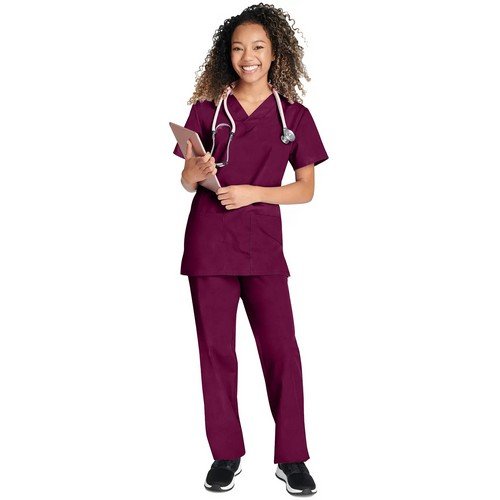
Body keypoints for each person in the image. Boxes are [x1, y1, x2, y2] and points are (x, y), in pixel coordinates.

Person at [172, 4, 328, 496]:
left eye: (258, 47)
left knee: (282, 352)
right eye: (238, 48)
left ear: (275, 52)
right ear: (228, 55)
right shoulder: (207, 111)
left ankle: (292, 457)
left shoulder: (294, 116)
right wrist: (192, 174)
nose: (248, 57)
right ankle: (226, 454)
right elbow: (186, 181)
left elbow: (305, 189)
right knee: (216, 352)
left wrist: (253, 193)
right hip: (209, 244)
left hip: (262, 246)